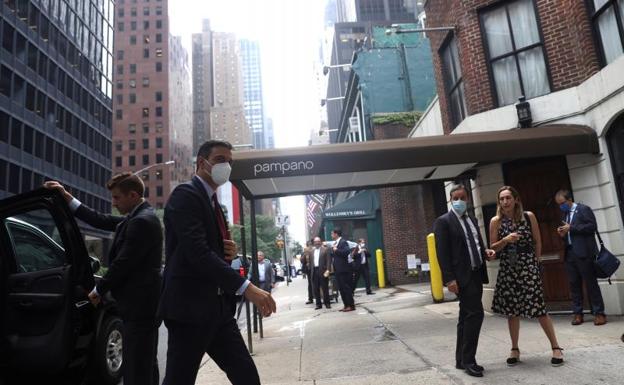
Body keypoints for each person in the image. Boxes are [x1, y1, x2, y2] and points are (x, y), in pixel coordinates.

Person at [159, 140, 276, 385]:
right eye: (221, 160)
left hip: (219, 311)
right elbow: (197, 253)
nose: (227, 166)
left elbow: (207, 248)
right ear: (202, 163)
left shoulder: (213, 202)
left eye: (230, 162)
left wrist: (228, 251)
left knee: (247, 376)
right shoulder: (185, 195)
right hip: (190, 311)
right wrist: (247, 287)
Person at [44, 175, 162, 385]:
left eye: (117, 198)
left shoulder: (142, 221)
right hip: (141, 307)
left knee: (137, 367)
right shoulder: (137, 217)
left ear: (133, 195)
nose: (114, 203)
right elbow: (100, 219)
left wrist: (98, 290)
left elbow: (123, 264)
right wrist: (67, 197)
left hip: (140, 309)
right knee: (144, 364)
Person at [489, 186, 564, 367]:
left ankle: (556, 347)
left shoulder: (528, 216)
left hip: (528, 265)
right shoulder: (496, 221)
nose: (505, 202)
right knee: (511, 310)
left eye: (508, 198)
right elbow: (493, 247)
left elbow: (538, 241)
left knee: (538, 307)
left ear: (516, 199)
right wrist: (506, 240)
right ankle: (514, 349)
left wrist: (536, 263)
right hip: (508, 267)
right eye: (502, 199)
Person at [433, 184, 495, 378]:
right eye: (455, 198)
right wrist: (449, 279)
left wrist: (485, 252)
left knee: (465, 316)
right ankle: (470, 360)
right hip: (461, 277)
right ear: (451, 200)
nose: (459, 201)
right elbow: (441, 253)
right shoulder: (443, 222)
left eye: (462, 197)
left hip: (477, 273)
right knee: (476, 315)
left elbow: (475, 243)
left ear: (467, 199)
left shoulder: (473, 220)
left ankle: (461, 359)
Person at [555, 189, 607, 326]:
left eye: (562, 203)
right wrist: (563, 234)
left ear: (569, 199)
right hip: (570, 253)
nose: (561, 206)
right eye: (559, 204)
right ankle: (578, 313)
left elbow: (592, 227)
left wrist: (571, 228)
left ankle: (599, 313)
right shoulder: (565, 214)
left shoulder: (584, 209)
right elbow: (569, 232)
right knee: (574, 285)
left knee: (591, 283)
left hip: (584, 253)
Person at [331, 228, 355, 312]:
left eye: (332, 233)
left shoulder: (343, 242)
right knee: (341, 288)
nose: (331, 235)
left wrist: (336, 250)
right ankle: (346, 305)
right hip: (338, 270)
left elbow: (346, 252)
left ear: (336, 234)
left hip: (343, 269)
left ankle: (351, 305)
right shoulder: (336, 243)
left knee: (346, 288)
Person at [310, 237, 332, 309]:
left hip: (323, 271)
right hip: (314, 271)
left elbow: (329, 261)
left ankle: (327, 303)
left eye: (318, 241)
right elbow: (310, 262)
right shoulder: (311, 251)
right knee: (316, 289)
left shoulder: (325, 250)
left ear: (320, 242)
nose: (317, 243)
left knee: (325, 288)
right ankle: (318, 304)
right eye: (316, 242)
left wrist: (328, 270)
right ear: (314, 243)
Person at [301, 240, 315, 305]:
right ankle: (310, 298)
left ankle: (320, 297)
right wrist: (305, 253)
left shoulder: (315, 250)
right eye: (308, 245)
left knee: (317, 284)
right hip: (309, 270)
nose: (309, 246)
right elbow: (302, 261)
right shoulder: (305, 251)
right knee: (310, 284)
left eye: (310, 245)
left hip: (316, 268)